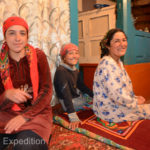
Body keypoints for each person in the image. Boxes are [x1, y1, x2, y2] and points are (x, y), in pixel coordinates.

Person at [0, 16, 53, 150]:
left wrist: (25, 116)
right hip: (6, 116)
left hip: (36, 115)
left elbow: (46, 91)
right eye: (11, 33)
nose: (17, 38)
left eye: (22, 33)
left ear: (27, 36)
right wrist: (6, 95)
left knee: (26, 145)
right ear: (5, 37)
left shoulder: (39, 56)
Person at [93, 28, 150, 123]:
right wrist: (135, 102)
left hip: (118, 103)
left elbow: (122, 88)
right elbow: (116, 94)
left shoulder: (118, 62)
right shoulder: (106, 65)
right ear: (108, 45)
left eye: (124, 40)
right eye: (117, 41)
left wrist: (134, 98)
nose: (122, 44)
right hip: (110, 110)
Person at [54, 43, 93, 130]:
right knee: (97, 105)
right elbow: (66, 94)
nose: (74, 56)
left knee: (98, 100)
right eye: (70, 53)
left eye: (76, 53)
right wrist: (73, 116)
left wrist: (95, 96)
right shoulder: (61, 71)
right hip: (69, 102)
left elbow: (82, 86)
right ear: (64, 57)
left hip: (77, 96)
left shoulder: (75, 69)